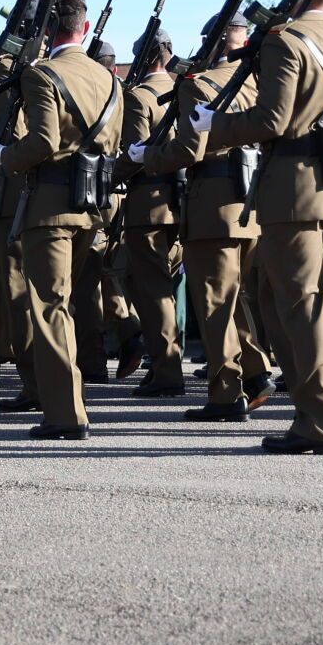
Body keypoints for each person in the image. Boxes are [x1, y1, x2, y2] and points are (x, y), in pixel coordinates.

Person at [203, 0, 323, 453]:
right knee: (287, 299)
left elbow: (272, 119)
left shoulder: (285, 42)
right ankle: (308, 408)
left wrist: (216, 127)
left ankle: (317, 422)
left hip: (293, 188)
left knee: (300, 305)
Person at [0, 0, 123, 440]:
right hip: (91, 204)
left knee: (50, 307)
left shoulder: (42, 75)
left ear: (47, 31)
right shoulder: (111, 80)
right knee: (65, 304)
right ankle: (65, 402)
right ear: (84, 29)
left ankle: (66, 414)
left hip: (49, 206)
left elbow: (43, 143)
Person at [135, 8, 276, 421]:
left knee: (215, 302)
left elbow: (189, 150)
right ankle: (254, 372)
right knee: (235, 297)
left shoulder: (198, 84)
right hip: (252, 202)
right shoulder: (258, 82)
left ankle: (226, 394)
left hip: (213, 203)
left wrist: (149, 156)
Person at [115, 27, 185, 397]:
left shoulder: (139, 98)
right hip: (184, 204)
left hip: (148, 205)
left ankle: (167, 370)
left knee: (152, 290)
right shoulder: (188, 87)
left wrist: (111, 173)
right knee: (167, 289)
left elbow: (134, 155)